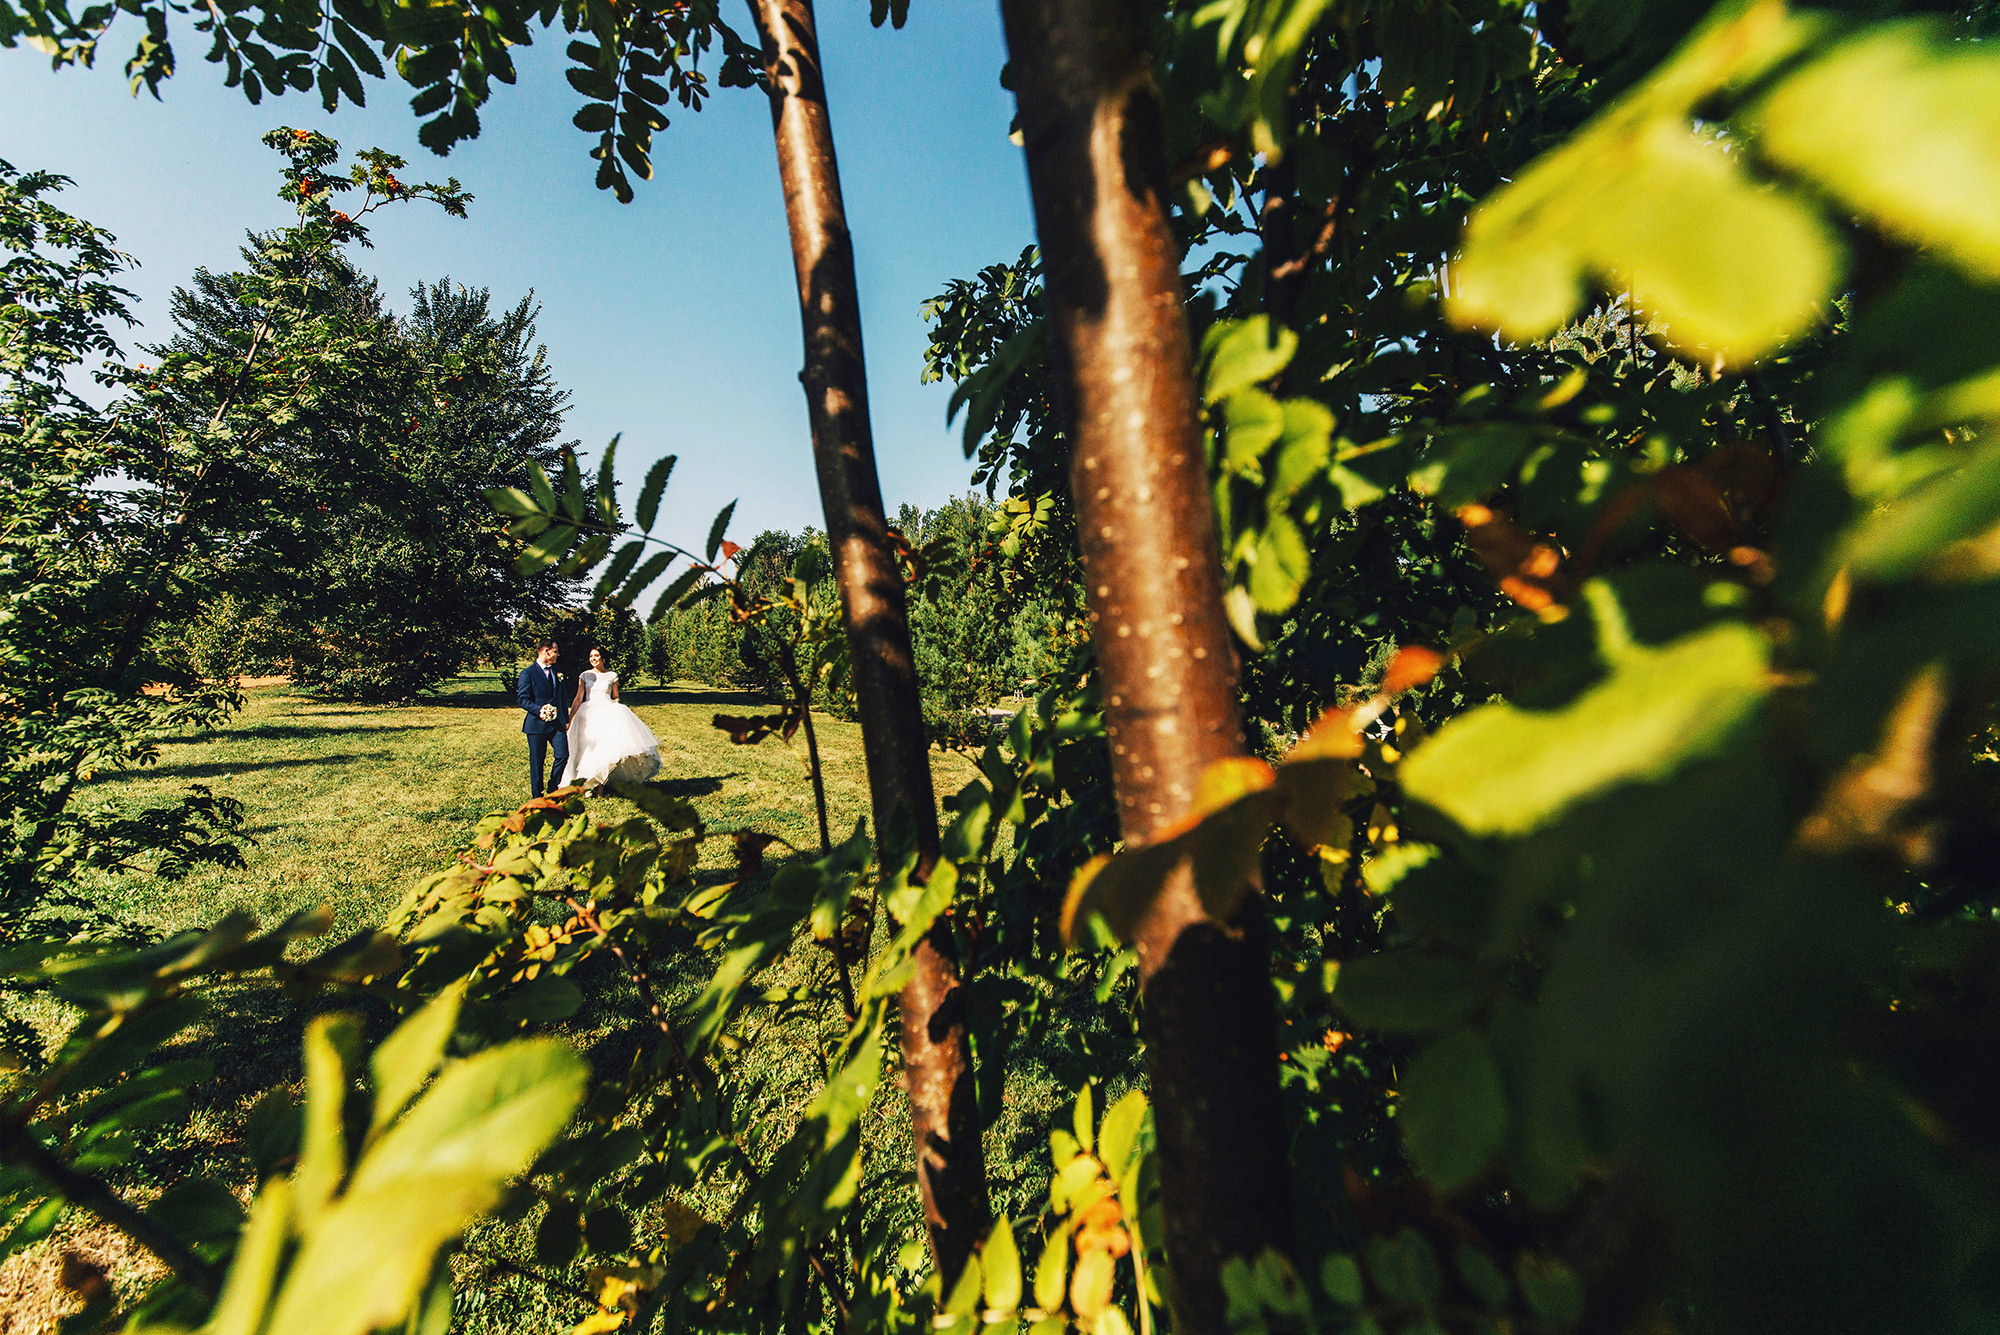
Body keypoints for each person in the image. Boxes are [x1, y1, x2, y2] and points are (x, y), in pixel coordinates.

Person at [561, 645, 662, 792]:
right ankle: (586, 785)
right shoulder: (584, 675)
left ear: (603, 658)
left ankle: (599, 785)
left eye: (596, 655)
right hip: (588, 714)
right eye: (591, 656)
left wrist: (615, 706)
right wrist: (570, 718)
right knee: (585, 748)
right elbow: (578, 698)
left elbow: (615, 696)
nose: (593, 659)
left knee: (601, 749)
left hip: (606, 714)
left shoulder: (612, 676)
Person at [517, 638, 569, 797]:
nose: (558, 654)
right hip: (536, 725)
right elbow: (522, 699)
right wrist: (539, 710)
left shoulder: (557, 671)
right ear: (546, 651)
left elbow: (562, 696)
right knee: (537, 761)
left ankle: (553, 786)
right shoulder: (528, 673)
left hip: (557, 724)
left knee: (563, 755)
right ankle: (537, 795)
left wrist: (565, 720)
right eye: (556, 651)